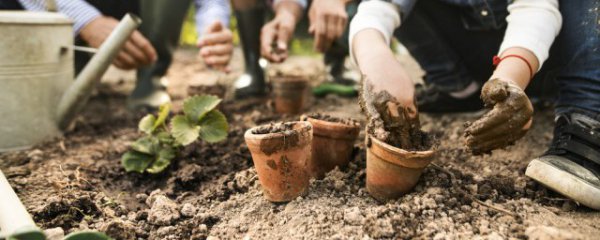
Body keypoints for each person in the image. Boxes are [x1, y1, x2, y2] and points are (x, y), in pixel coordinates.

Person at [350, 0, 600, 209]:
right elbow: (379, 7)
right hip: (476, 56)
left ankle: (586, 114)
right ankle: (459, 88)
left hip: (545, 57)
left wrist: (511, 78)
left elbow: (536, 8)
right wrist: (375, 58)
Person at [6, 0, 233, 109]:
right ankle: (69, 66)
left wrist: (214, 27)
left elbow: (211, 2)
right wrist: (87, 20)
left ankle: (151, 76)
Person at [231, 0, 358, 98]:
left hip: (345, 10)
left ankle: (336, 60)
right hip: (280, 10)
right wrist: (287, 13)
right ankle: (253, 66)